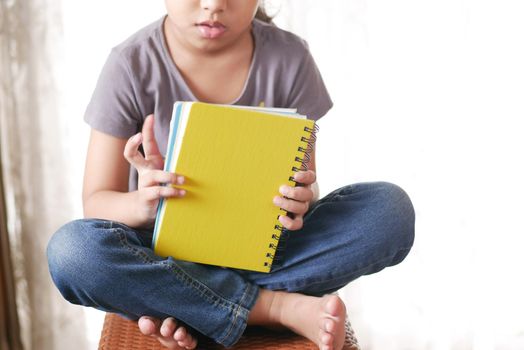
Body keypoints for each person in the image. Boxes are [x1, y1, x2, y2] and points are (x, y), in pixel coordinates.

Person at [46, 1, 415, 350]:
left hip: (263, 252)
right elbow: (96, 203)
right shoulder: (130, 64)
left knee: (389, 211)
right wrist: (143, 204)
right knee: (72, 253)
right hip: (159, 254)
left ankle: (191, 306)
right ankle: (275, 308)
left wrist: (302, 197)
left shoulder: (290, 58)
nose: (213, 4)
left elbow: (307, 181)